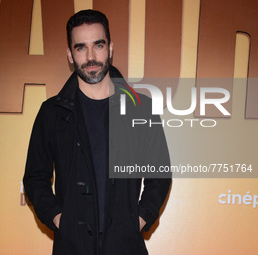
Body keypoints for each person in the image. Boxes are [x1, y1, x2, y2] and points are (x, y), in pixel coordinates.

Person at [23, 9, 171, 255]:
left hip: (127, 246)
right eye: (81, 48)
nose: (91, 56)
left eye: (98, 45)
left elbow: (160, 174)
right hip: (72, 246)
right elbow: (35, 178)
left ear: (110, 48)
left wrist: (140, 218)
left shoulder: (141, 109)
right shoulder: (52, 113)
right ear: (70, 54)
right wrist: (59, 219)